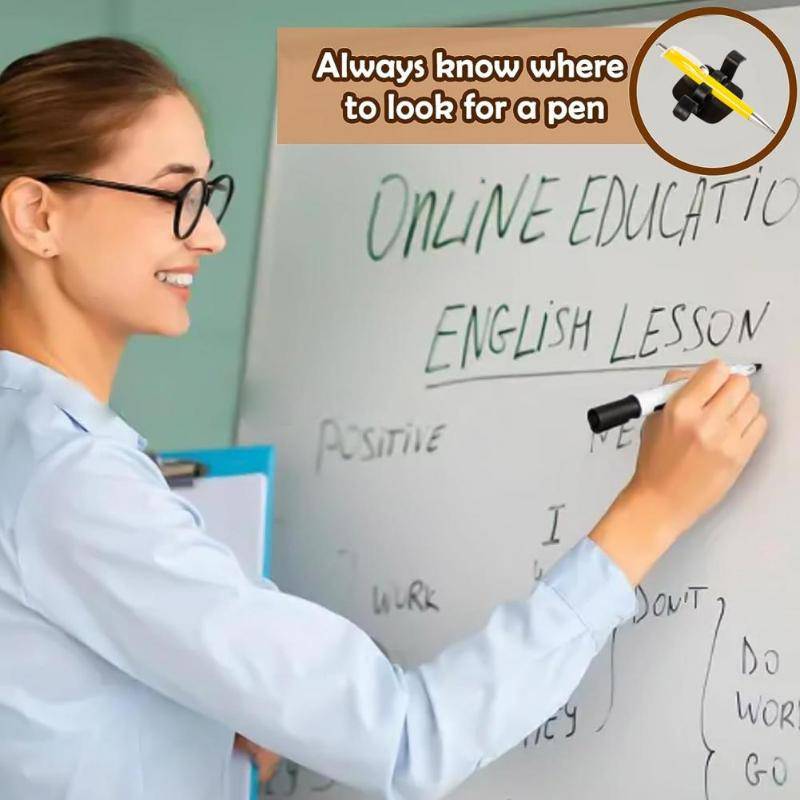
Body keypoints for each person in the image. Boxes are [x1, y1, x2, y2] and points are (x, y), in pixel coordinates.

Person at [0, 36, 767, 800]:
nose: (210, 234)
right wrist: (652, 512)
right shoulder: (73, 480)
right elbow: (406, 739)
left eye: (210, 193)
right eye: (176, 195)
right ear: (37, 216)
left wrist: (206, 745)